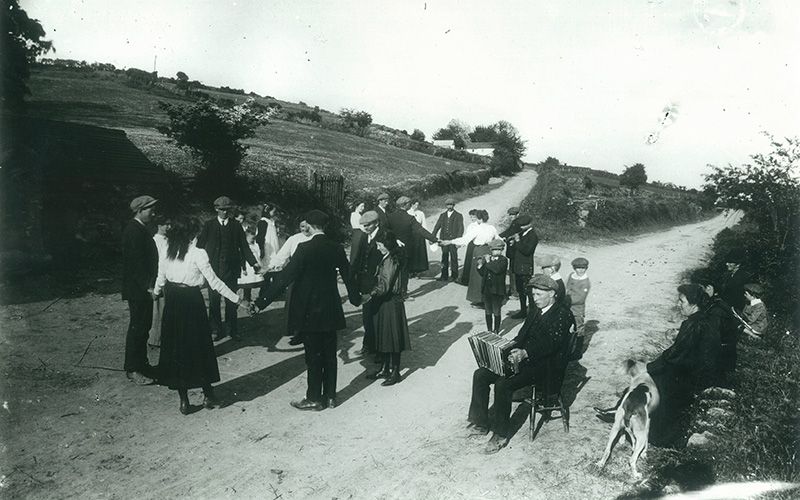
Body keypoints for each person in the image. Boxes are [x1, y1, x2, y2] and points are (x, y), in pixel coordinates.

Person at [255, 210, 357, 411]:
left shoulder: (303, 248)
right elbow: (348, 276)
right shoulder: (336, 248)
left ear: (309, 226)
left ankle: (313, 398)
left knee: (313, 356)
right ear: (324, 226)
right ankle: (330, 397)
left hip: (309, 310)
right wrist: (355, 299)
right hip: (330, 308)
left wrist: (261, 303)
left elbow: (284, 278)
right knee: (329, 354)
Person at [467, 274, 575, 454]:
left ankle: (500, 434)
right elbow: (522, 336)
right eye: (533, 295)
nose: (535, 299)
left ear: (552, 294)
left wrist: (525, 353)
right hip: (524, 359)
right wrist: (506, 348)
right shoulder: (535, 311)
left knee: (504, 384)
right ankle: (480, 422)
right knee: (481, 374)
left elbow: (552, 345)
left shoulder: (563, 315)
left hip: (545, 366)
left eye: (539, 295)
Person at [153, 217, 243, 415]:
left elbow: (160, 279)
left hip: (173, 302)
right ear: (192, 235)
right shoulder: (198, 253)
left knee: (177, 349)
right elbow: (215, 282)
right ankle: (208, 394)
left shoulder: (167, 252)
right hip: (191, 303)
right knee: (199, 347)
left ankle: (184, 400)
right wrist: (237, 299)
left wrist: (156, 292)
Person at [646, 284, 719, 448]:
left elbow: (675, 355)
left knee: (654, 380)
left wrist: (651, 367)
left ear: (693, 303)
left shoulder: (692, 324)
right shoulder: (703, 319)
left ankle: (659, 436)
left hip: (689, 376)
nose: (679, 305)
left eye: (682, 301)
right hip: (698, 371)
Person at [196, 196, 260, 341]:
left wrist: (254, 263)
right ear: (216, 209)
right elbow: (199, 246)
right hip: (213, 270)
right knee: (214, 302)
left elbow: (244, 246)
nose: (225, 213)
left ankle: (233, 329)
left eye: (227, 210)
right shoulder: (209, 225)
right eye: (221, 210)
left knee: (232, 301)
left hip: (231, 270)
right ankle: (215, 329)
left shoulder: (235, 226)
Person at [364, 231, 411, 386]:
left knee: (393, 337)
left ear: (387, 245)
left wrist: (370, 294)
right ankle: (385, 368)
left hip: (390, 302)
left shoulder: (390, 260)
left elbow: (385, 284)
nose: (378, 248)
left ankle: (395, 372)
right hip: (386, 302)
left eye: (379, 245)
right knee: (384, 336)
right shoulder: (388, 258)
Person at [122, 195, 159, 385]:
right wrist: (149, 286)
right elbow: (136, 265)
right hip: (138, 289)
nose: (153, 212)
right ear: (139, 210)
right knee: (137, 328)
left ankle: (142, 364)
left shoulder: (141, 229)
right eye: (150, 209)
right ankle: (133, 369)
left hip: (142, 287)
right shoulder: (133, 231)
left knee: (143, 328)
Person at [267, 217, 312, 346]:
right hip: (296, 275)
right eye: (302, 227)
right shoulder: (294, 239)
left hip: (311, 276)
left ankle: (310, 333)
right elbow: (282, 255)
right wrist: (270, 267)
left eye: (307, 226)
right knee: (295, 305)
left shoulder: (316, 238)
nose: (305, 229)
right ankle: (297, 333)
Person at [442, 210, 500, 305]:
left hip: (479, 251)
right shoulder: (492, 228)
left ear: (480, 219)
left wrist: (450, 241)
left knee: (478, 276)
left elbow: (465, 239)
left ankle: (480, 299)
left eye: (477, 218)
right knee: (487, 275)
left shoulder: (477, 229)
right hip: (488, 251)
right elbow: (498, 239)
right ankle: (488, 299)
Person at [386, 196, 439, 296]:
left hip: (393, 248)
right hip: (406, 250)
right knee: (404, 271)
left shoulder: (390, 216)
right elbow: (421, 230)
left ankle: (392, 292)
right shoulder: (409, 218)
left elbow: (386, 231)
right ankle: (403, 293)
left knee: (392, 271)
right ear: (405, 205)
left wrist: (394, 240)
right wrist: (435, 239)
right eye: (409, 204)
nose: (410, 206)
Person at [349, 210, 385, 355]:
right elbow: (358, 258)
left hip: (378, 283)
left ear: (376, 223)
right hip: (365, 282)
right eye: (364, 225)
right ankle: (368, 345)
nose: (366, 227)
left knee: (377, 316)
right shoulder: (364, 236)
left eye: (368, 225)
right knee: (367, 316)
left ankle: (379, 349)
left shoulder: (384, 236)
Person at [695, 274, 739, 382]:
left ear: (709, 288)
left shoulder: (716, 311)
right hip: (725, 355)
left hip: (718, 360)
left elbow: (711, 339)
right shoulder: (718, 303)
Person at [509, 215, 539, 319]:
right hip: (518, 266)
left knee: (528, 291)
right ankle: (523, 311)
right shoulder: (523, 233)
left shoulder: (533, 236)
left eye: (523, 226)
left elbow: (527, 251)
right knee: (520, 290)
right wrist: (513, 243)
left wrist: (518, 241)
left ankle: (532, 313)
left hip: (525, 267)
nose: (520, 228)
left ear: (529, 224)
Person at [476, 239, 508, 334]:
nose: (497, 251)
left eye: (499, 249)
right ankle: (489, 329)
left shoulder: (503, 260)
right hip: (487, 289)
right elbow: (483, 273)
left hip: (497, 290)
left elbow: (497, 269)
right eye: (494, 250)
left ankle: (496, 330)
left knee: (496, 310)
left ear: (502, 250)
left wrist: (488, 261)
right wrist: (480, 265)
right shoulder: (488, 260)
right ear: (491, 250)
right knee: (488, 310)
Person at [148, 216, 170, 349]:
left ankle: (165, 337)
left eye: (170, 225)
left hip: (169, 277)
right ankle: (155, 339)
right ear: (159, 226)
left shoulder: (168, 240)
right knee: (158, 309)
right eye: (166, 225)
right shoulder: (155, 241)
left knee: (166, 308)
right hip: (159, 276)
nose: (168, 227)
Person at [431, 199, 464, 282]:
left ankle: (454, 275)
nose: (449, 206)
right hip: (443, 240)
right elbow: (437, 226)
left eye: (451, 205)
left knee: (454, 257)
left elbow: (461, 228)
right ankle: (444, 275)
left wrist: (458, 241)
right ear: (446, 206)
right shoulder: (442, 215)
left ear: (454, 205)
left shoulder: (458, 215)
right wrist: (432, 237)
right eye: (448, 205)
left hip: (453, 240)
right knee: (444, 257)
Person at [499, 206, 521, 297]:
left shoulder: (518, 223)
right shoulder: (514, 222)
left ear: (517, 214)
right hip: (512, 252)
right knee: (512, 271)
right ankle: (512, 290)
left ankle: (514, 292)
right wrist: (499, 236)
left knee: (513, 272)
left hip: (515, 252)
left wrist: (504, 237)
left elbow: (511, 234)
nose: (511, 216)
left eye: (513, 215)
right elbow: (508, 231)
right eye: (510, 215)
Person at [718, 248, 749, 313]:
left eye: (730, 262)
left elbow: (737, 298)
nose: (726, 264)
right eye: (727, 262)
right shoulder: (730, 275)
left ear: (738, 264)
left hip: (735, 311)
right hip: (727, 307)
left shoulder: (742, 277)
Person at [238, 225, 264, 304]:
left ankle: (248, 297)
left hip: (253, 267)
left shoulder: (255, 245)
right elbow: (242, 258)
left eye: (254, 238)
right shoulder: (245, 247)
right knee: (246, 283)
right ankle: (245, 297)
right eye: (251, 239)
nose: (253, 240)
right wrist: (244, 268)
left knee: (251, 283)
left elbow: (258, 255)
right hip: (247, 267)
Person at [566, 257, 591, 330]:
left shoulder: (585, 282)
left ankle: (579, 340)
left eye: (583, 268)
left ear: (586, 268)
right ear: (574, 268)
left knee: (578, 326)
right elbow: (566, 286)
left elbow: (581, 298)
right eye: (578, 268)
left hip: (577, 309)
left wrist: (567, 300)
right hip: (568, 306)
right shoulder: (571, 275)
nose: (581, 270)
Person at [406, 199, 429, 277]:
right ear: (411, 204)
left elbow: (424, 225)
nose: (416, 206)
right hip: (411, 236)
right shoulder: (408, 213)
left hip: (419, 236)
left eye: (417, 205)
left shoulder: (421, 213)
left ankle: (418, 270)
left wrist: (426, 235)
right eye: (415, 205)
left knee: (419, 253)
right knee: (411, 253)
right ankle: (410, 271)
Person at [256, 203, 280, 270]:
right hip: (267, 249)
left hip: (272, 248)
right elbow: (260, 237)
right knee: (267, 265)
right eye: (273, 211)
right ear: (268, 211)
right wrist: (261, 249)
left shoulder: (270, 222)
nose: (274, 213)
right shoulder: (263, 222)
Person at [459, 209, 479, 286]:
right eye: (471, 217)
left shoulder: (480, 225)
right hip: (471, 245)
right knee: (468, 261)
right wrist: (462, 243)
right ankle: (466, 280)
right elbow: (467, 236)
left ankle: (475, 281)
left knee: (476, 261)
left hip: (477, 244)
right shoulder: (470, 225)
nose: (472, 219)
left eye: (474, 217)